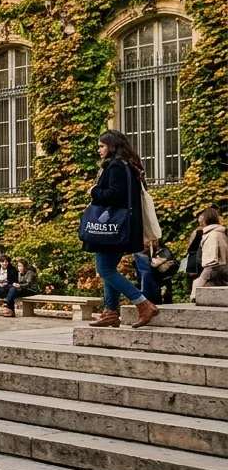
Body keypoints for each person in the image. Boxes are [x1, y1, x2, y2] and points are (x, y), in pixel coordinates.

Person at [85, 130, 159, 329]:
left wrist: (94, 191)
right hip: (119, 227)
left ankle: (143, 304)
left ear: (112, 145)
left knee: (105, 270)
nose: (99, 150)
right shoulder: (128, 166)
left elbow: (113, 195)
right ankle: (110, 312)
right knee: (108, 269)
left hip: (111, 227)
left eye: (101, 146)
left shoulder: (116, 166)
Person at [191, 208, 228, 302]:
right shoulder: (221, 233)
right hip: (222, 265)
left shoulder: (212, 234)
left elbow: (211, 254)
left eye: (201, 222)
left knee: (197, 285)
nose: (200, 224)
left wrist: (207, 267)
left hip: (213, 266)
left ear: (206, 220)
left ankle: (195, 300)